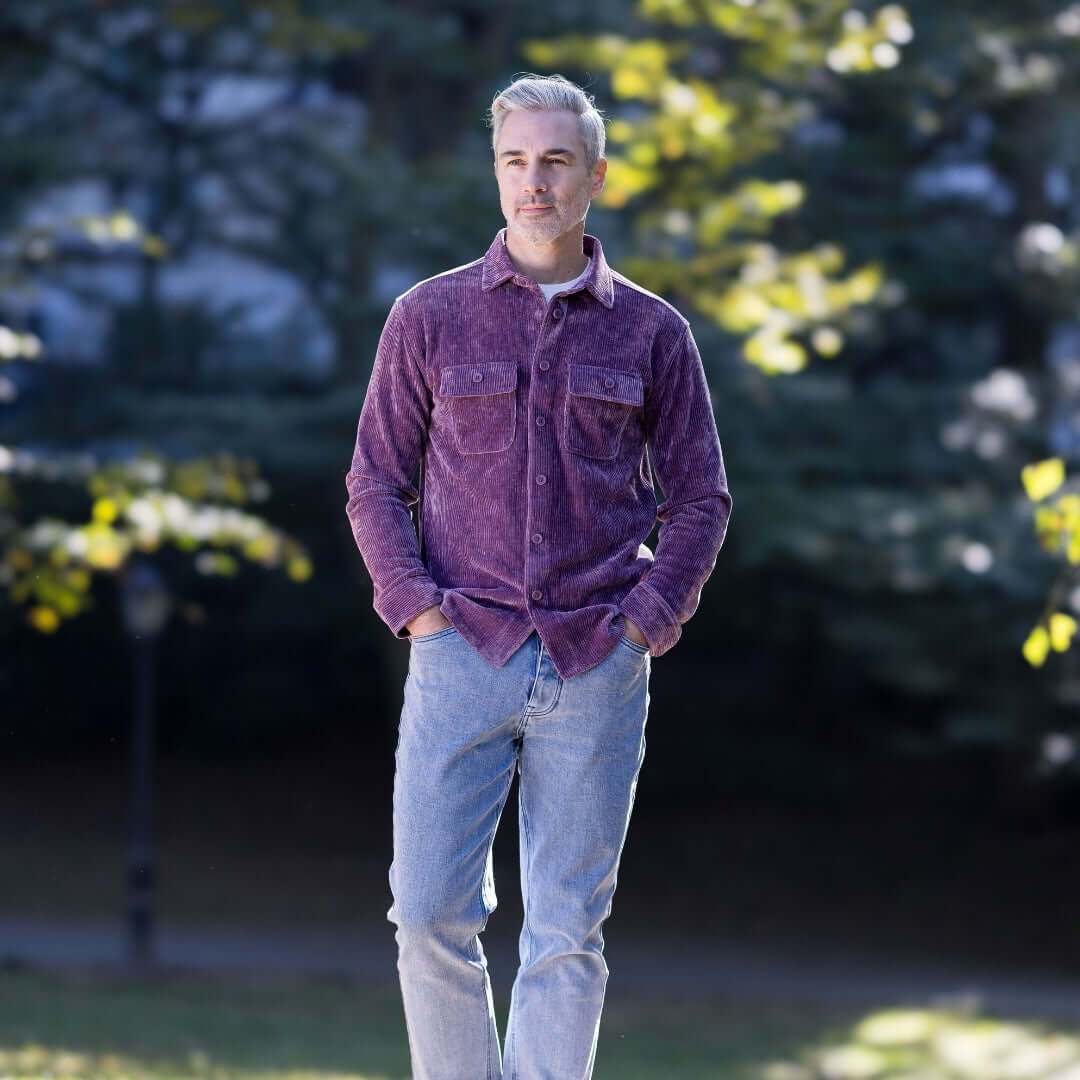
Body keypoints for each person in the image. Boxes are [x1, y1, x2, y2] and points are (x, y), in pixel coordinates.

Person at [345, 73, 732, 1080]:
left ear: (594, 175)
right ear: (497, 172)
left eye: (556, 161)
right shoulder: (428, 317)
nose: (535, 182)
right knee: (426, 909)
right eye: (516, 160)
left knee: (566, 929)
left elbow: (701, 498)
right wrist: (415, 609)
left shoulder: (653, 333)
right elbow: (375, 484)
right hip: (459, 649)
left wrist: (648, 618)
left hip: (596, 658)